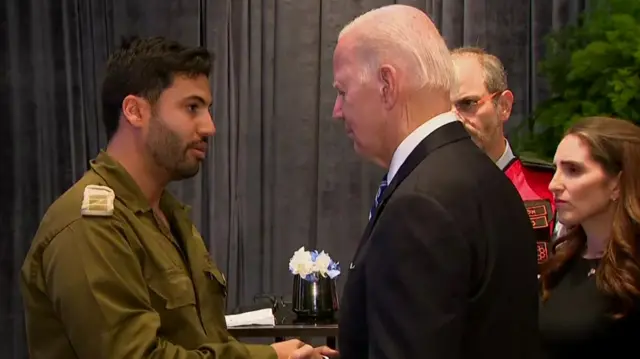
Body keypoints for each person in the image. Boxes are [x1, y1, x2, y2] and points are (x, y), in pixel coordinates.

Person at [19, 36, 337, 359]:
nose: (209, 126)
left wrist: (282, 354)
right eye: (192, 107)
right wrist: (270, 358)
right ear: (135, 111)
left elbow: (201, 342)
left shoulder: (167, 216)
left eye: (207, 109)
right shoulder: (88, 226)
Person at [332, 5, 539, 359]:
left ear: (387, 85)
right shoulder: (484, 177)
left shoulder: (421, 204)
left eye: (343, 90)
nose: (337, 110)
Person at [539, 116, 640, 358]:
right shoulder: (561, 263)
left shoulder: (633, 270)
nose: (554, 184)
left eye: (573, 170)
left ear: (617, 182)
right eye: (556, 169)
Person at [450, 47, 558, 263]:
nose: (454, 119)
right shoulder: (419, 189)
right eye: (444, 109)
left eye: (468, 104)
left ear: (504, 106)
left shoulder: (549, 189)